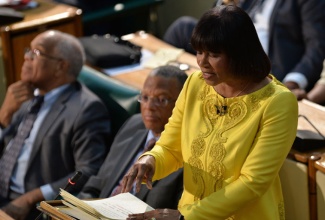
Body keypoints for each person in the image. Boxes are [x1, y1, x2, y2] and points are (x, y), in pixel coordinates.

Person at [121, 5, 298, 219]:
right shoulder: (195, 83)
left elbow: (253, 182)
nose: (202, 63)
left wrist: (185, 217)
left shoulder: (278, 102)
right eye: (199, 52)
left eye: (213, 54)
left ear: (240, 53)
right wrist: (151, 160)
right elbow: (171, 147)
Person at [0, 30, 111, 220]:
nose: (26, 57)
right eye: (28, 51)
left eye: (35, 53)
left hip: (29, 207)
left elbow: (88, 170)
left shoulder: (86, 109)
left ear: (60, 66)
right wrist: (4, 117)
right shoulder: (22, 94)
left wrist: (31, 198)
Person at [78, 65, 187, 209]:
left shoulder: (185, 155)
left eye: (161, 100)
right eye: (145, 97)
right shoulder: (134, 125)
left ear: (183, 105)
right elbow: (97, 184)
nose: (149, 106)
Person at [163, 0, 325, 92]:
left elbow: (317, 47)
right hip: (235, 49)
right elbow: (217, 23)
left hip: (271, 66)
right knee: (182, 27)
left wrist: (293, 82)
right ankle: (160, 77)